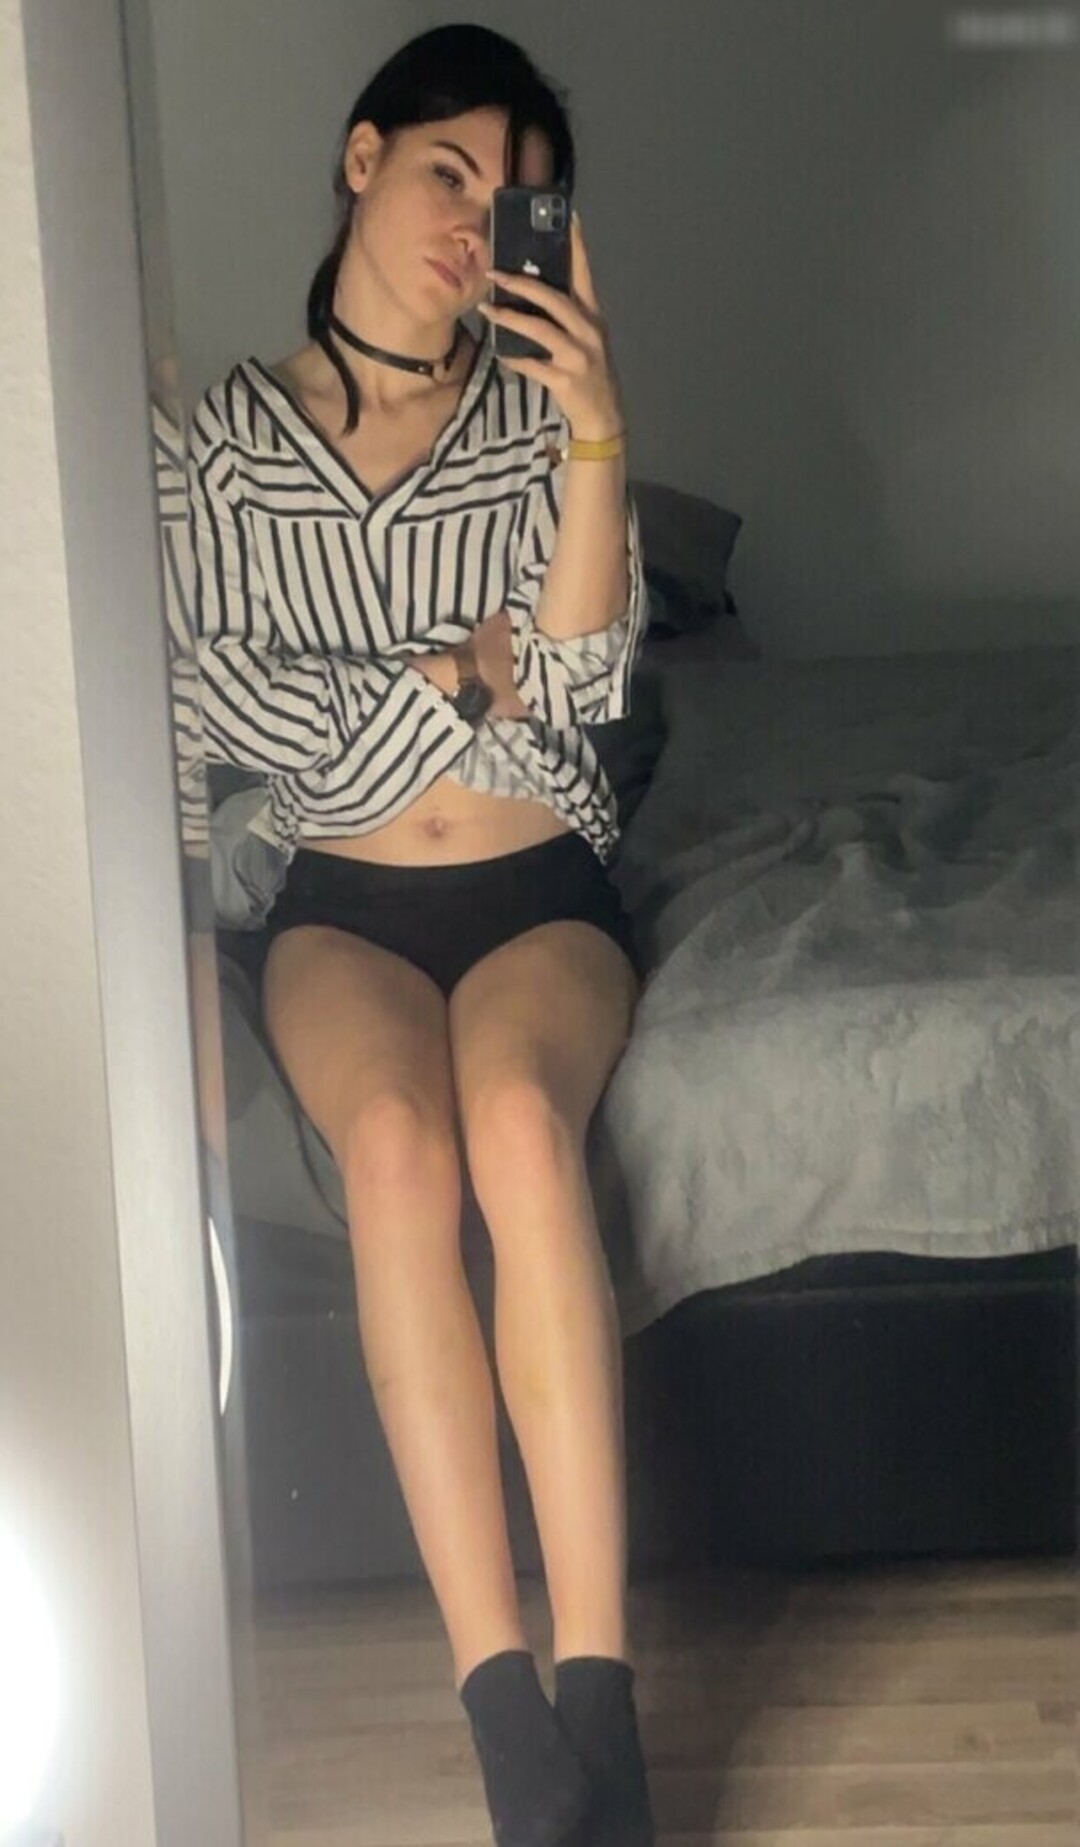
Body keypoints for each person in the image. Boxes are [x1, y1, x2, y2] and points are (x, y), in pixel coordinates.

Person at [186, 24, 653, 1847]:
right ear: (361, 158)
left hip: (541, 885)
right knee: (394, 1149)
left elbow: (588, 689)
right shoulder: (226, 444)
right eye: (448, 169)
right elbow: (241, 722)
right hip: (341, 907)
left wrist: (599, 426)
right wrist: (463, 672)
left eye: (514, 195)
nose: (475, 220)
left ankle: (600, 1698)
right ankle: (501, 1716)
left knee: (520, 1128)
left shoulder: (539, 418)